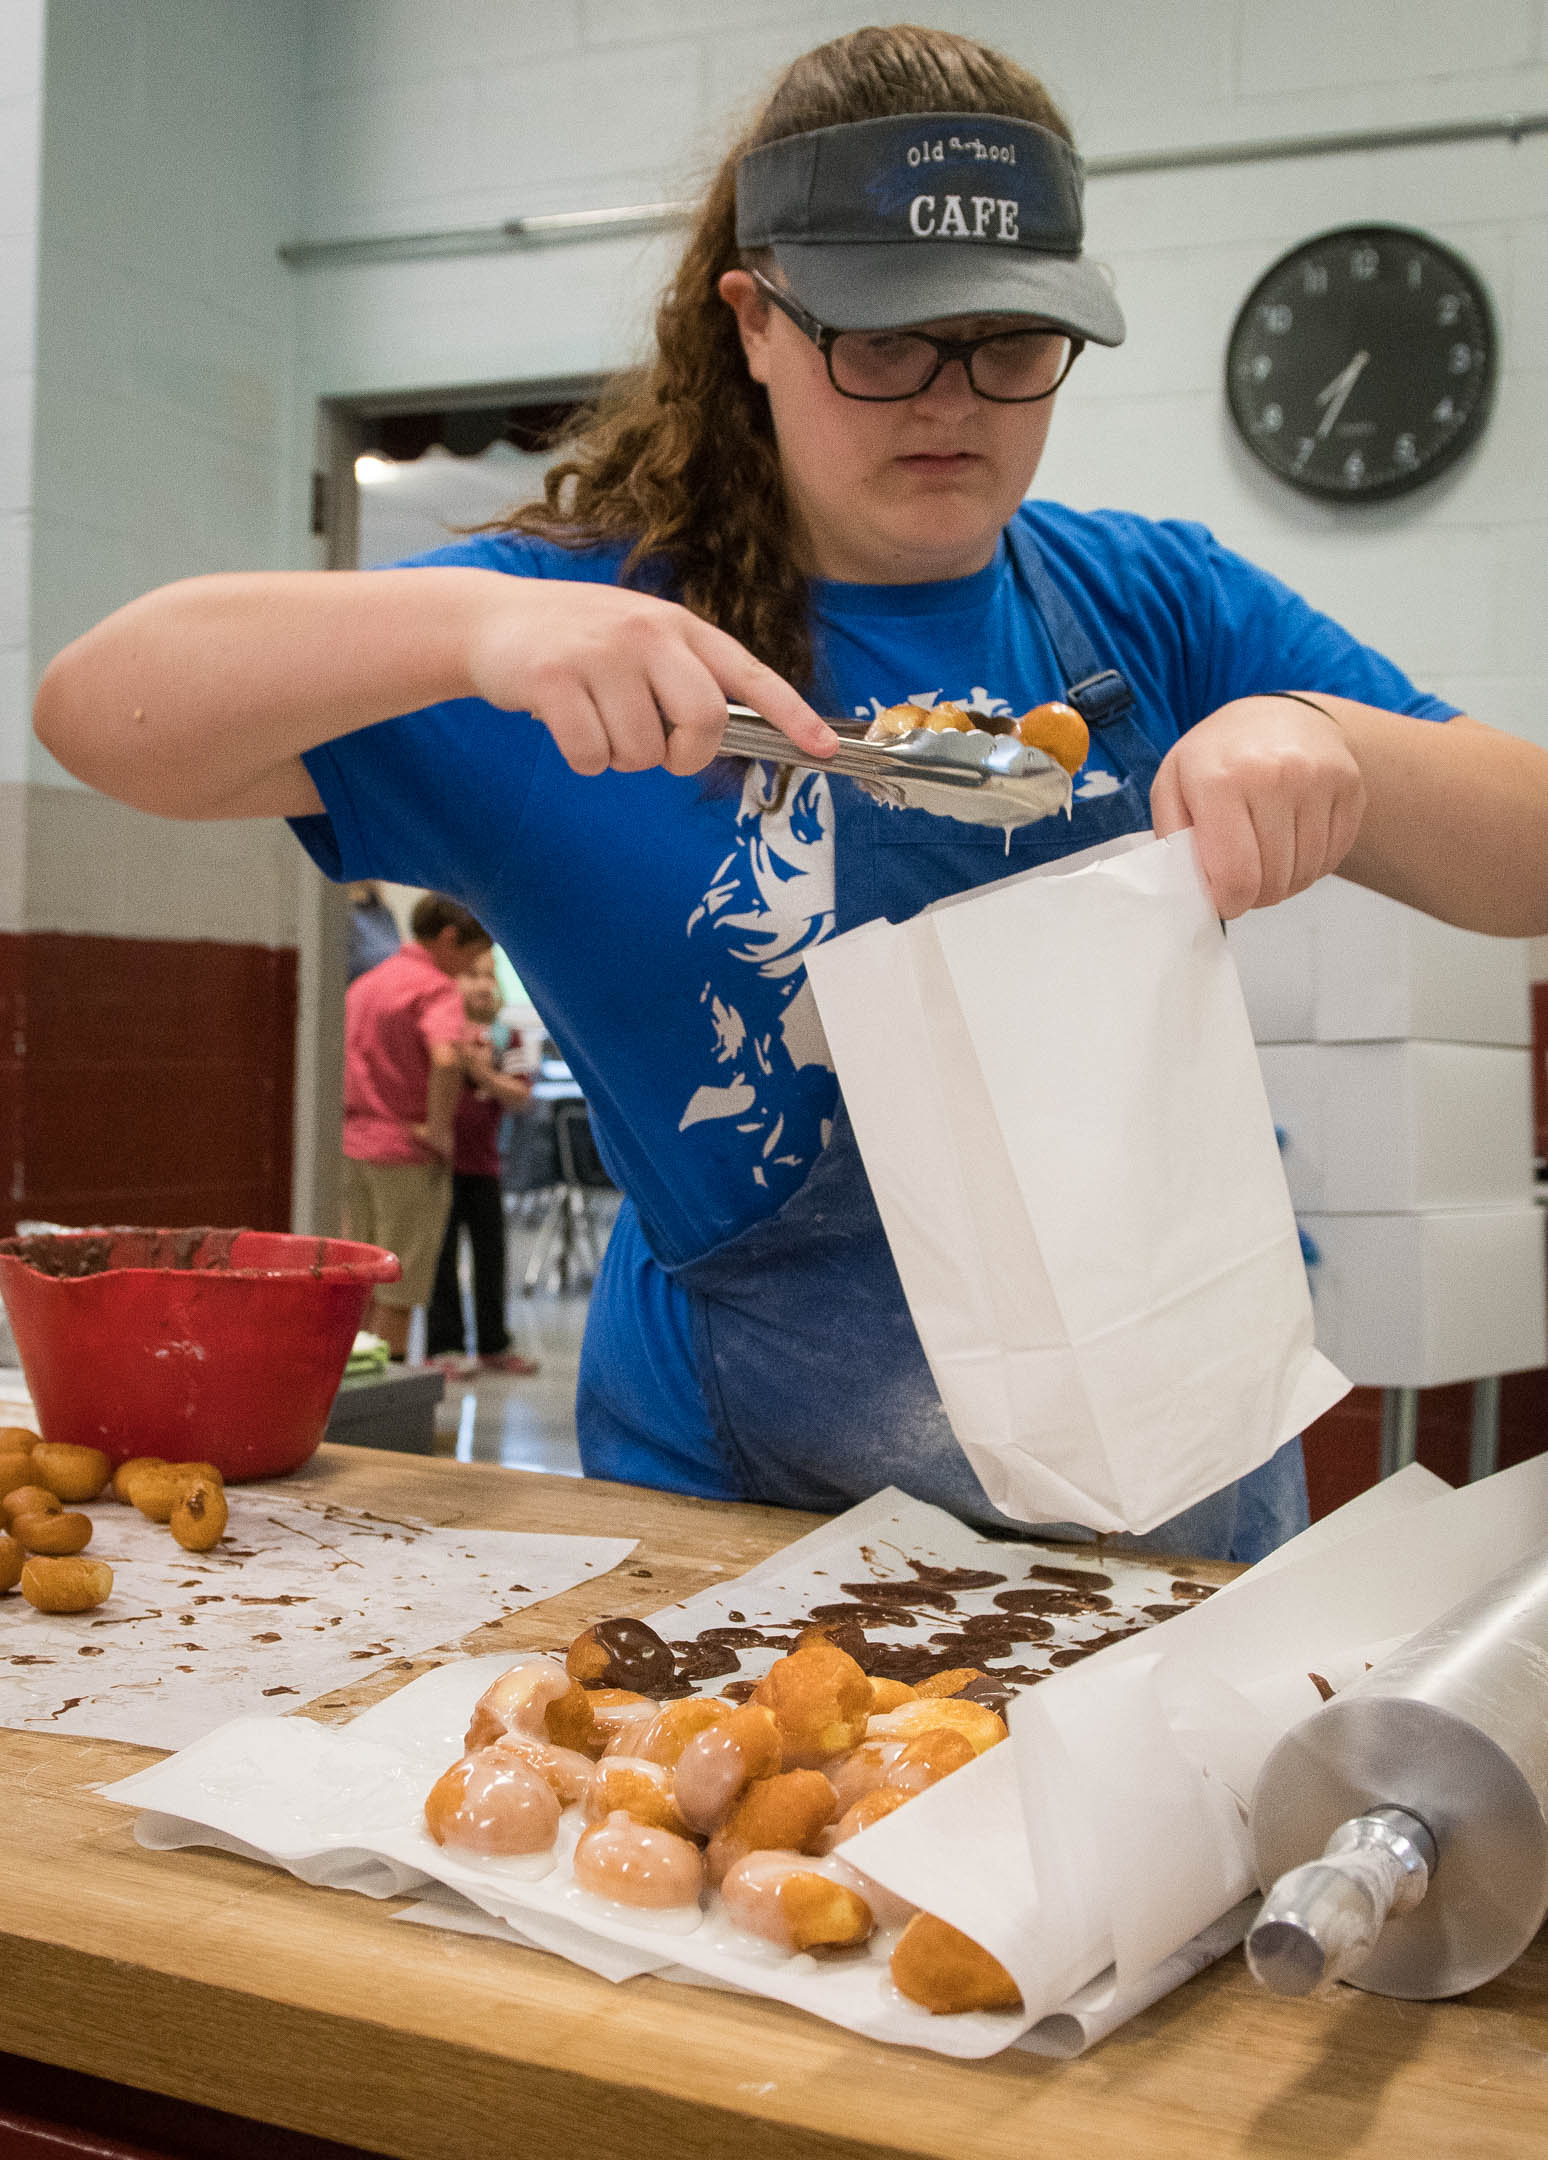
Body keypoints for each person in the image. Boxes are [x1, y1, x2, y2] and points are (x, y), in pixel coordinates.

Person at [32, 25, 1548, 1559]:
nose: (951, 401)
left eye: (1011, 344)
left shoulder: (1157, 608)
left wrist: (1333, 740)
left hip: (1169, 1475)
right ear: (753, 321)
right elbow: (100, 713)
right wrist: (473, 628)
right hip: (753, 1515)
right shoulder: (561, 649)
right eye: (882, 344)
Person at [339, 892, 493, 1360]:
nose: (469, 968)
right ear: (449, 938)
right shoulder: (434, 988)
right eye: (472, 955)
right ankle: (385, 1398)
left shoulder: (367, 984)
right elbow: (446, 1058)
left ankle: (348, 1389)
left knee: (358, 1285)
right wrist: (438, 1129)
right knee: (397, 1292)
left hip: (353, 1146)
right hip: (405, 1154)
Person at [425, 947, 540, 1376]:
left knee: (491, 1256)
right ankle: (445, 1345)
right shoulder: (440, 1031)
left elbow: (522, 1097)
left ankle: (494, 1342)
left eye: (489, 975)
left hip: (485, 1166)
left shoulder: (506, 1037)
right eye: (472, 974)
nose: (482, 985)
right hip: (439, 1163)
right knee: (441, 1257)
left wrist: (484, 1074)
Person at [345, 879, 402, 982]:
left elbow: (397, 948)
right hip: (364, 981)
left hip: (391, 977)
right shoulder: (348, 916)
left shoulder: (384, 912)